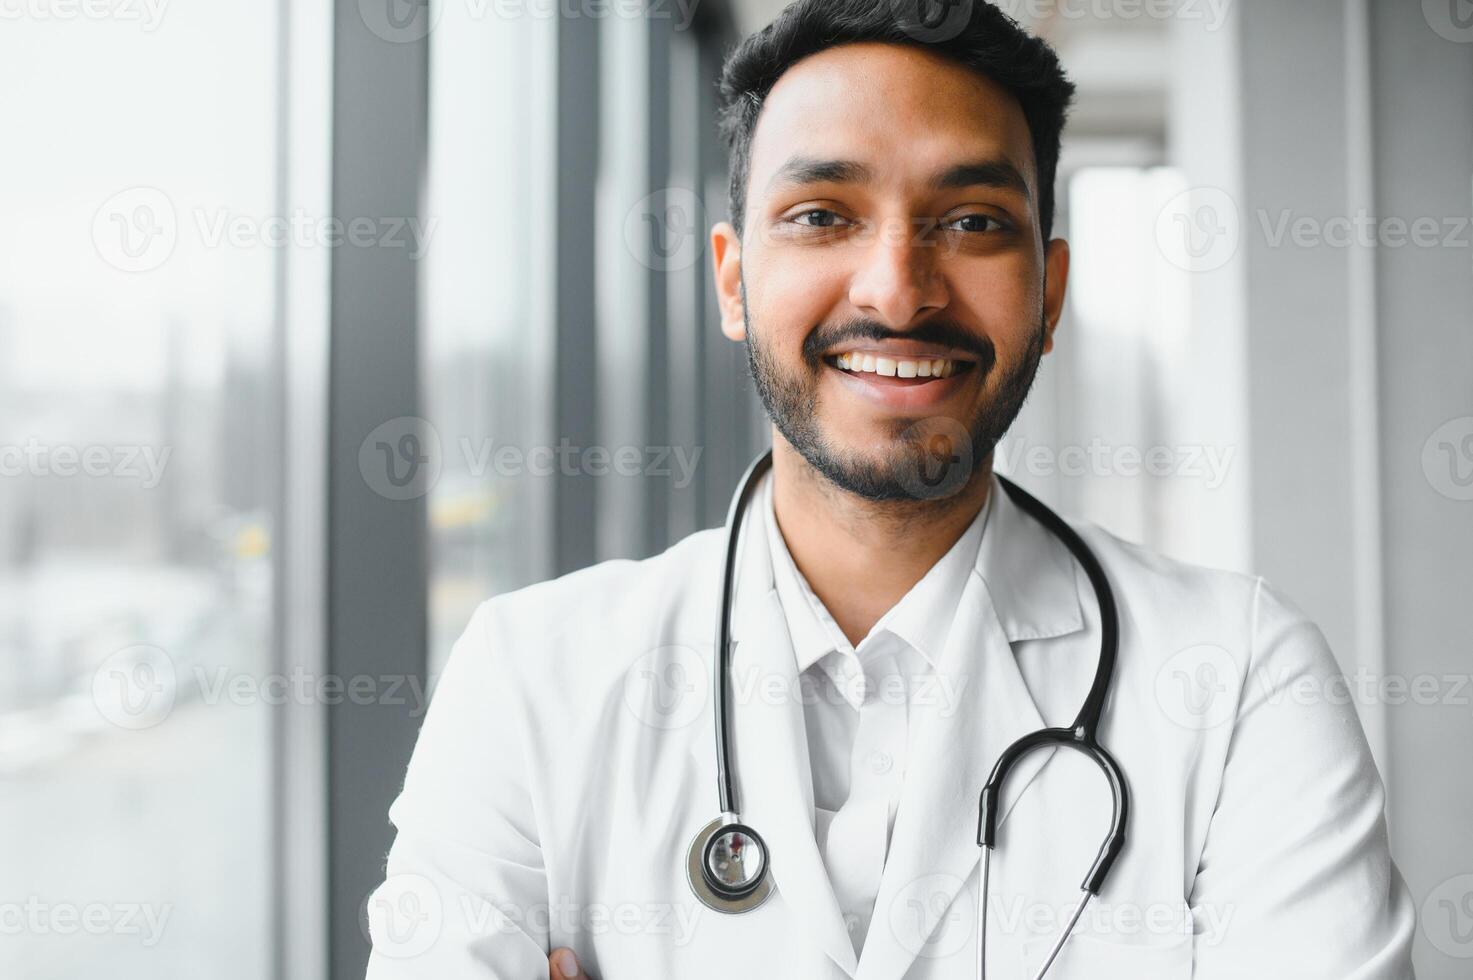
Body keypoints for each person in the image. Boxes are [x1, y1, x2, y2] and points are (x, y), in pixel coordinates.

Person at [364, 1, 1416, 977]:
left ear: (1051, 292)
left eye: (972, 223)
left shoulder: (1240, 679)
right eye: (823, 215)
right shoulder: (531, 677)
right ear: (733, 280)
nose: (898, 288)